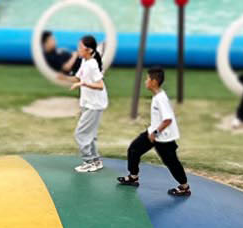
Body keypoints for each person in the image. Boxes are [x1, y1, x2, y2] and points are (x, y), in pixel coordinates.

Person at [119, 69, 190, 197]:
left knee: (171, 162)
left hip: (163, 138)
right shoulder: (157, 96)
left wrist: (155, 133)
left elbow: (168, 120)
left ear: (154, 82)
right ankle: (133, 177)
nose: (145, 82)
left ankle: (184, 187)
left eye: (147, 79)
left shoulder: (161, 99)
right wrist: (153, 131)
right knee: (134, 149)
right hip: (153, 132)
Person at [68, 35, 107, 173]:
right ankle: (96, 161)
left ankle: (89, 161)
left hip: (94, 104)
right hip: (88, 103)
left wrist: (83, 84)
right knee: (90, 134)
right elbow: (77, 77)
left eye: (80, 47)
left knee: (81, 133)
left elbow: (100, 85)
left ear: (89, 50)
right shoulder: (85, 61)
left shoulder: (92, 64)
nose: (78, 49)